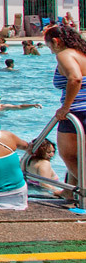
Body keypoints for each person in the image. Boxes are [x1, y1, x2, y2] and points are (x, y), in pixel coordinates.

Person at [44, 25, 86, 195]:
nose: (52, 51)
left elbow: (75, 78)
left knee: (69, 156)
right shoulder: (82, 54)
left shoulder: (64, 55)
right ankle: (69, 191)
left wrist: (65, 107)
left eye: (49, 47)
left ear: (56, 42)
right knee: (81, 157)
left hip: (78, 112)